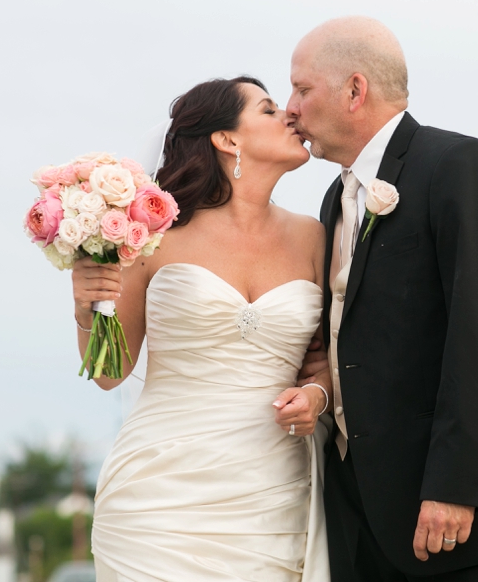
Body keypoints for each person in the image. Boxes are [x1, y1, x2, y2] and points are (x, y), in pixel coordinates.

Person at [288, 17, 478, 582]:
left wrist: (455, 489)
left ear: (355, 90)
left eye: (302, 89)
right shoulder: (335, 199)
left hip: (453, 521)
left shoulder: (456, 166)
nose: (290, 108)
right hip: (361, 519)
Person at [71, 76, 332, 581]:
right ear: (227, 139)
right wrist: (87, 306)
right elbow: (108, 373)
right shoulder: (152, 238)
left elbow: (321, 359)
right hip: (158, 498)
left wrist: (316, 396)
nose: (290, 117)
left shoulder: (313, 236)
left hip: (271, 501)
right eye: (268, 109)